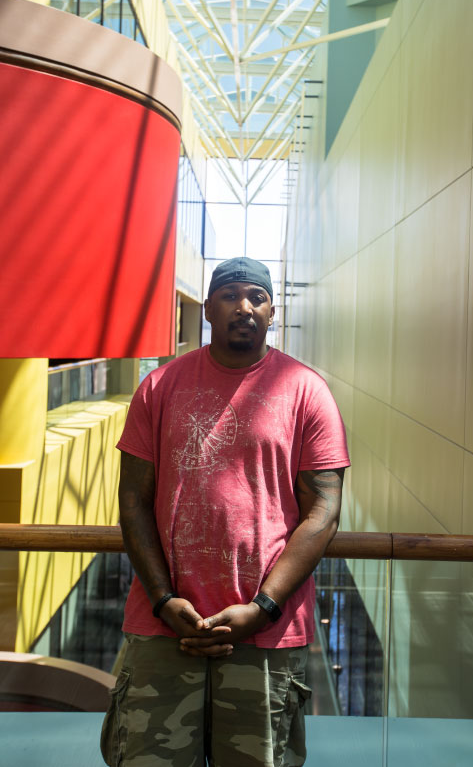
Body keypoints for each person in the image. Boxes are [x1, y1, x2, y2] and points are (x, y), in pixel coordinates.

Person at [101, 256, 350, 767]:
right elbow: (133, 501)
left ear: (272, 311)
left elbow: (323, 511)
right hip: (164, 627)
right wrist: (164, 599)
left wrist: (261, 609)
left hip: (265, 632)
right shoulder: (159, 386)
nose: (244, 307)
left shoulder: (307, 391)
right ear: (209, 308)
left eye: (256, 297)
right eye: (231, 295)